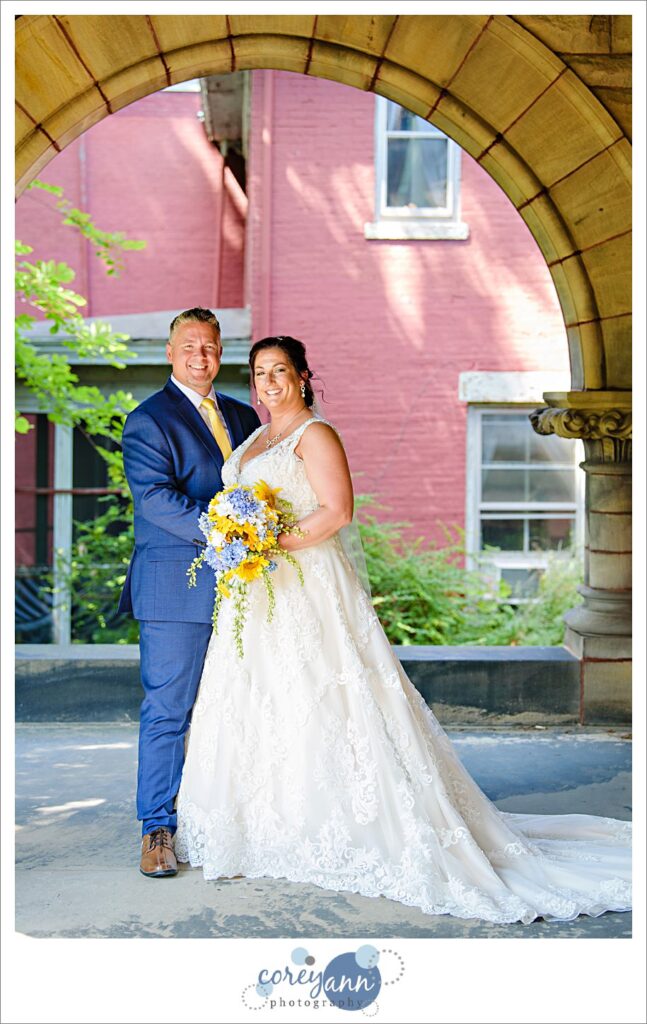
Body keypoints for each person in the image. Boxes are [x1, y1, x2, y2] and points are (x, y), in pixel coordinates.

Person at [173, 335, 632, 924]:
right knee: (267, 702)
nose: (268, 381)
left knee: (328, 701)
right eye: (260, 372)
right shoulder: (256, 437)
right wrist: (236, 541)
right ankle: (269, 825)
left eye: (280, 370)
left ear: (304, 375)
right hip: (260, 592)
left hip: (306, 585)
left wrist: (265, 540)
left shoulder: (316, 434)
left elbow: (337, 512)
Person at [117, 307, 261, 877]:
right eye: (190, 347)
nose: (202, 357)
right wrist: (233, 529)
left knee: (238, 706)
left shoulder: (245, 414)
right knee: (169, 711)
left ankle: (230, 818)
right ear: (171, 353)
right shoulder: (148, 420)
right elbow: (154, 501)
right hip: (177, 587)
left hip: (248, 587)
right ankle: (157, 828)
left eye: (211, 347)